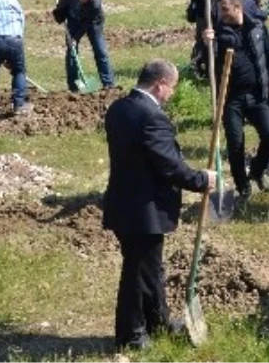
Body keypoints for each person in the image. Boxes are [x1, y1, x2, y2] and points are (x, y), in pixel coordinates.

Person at [102, 59, 215, 351]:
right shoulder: (153, 117)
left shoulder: (119, 108)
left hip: (124, 202)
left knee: (150, 269)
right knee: (137, 272)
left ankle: (158, 321)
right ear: (160, 84)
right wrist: (202, 179)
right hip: (144, 208)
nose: (172, 94)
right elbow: (168, 166)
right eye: (172, 88)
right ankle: (131, 336)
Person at [203, 0, 269, 205]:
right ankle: (243, 186)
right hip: (231, 99)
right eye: (220, 11)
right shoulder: (219, 34)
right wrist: (207, 45)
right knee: (236, 144)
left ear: (237, 8)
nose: (221, 15)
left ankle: (257, 171)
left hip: (258, 95)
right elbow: (205, 64)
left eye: (225, 10)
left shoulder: (257, 28)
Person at [47, 0, 115, 92]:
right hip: (73, 18)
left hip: (93, 22)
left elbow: (86, 23)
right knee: (71, 51)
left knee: (100, 50)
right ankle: (73, 86)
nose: (85, 0)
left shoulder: (94, 3)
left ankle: (108, 84)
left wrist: (75, 37)